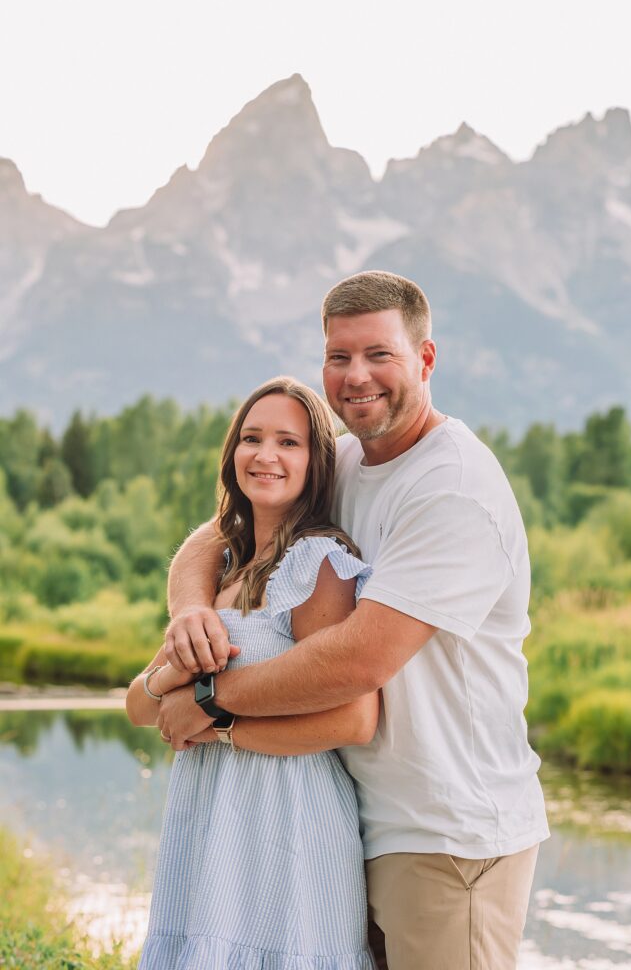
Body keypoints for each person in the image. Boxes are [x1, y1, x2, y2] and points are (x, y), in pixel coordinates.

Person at [160, 271, 550, 970]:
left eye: (379, 354)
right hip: (356, 823)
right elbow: (221, 531)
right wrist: (191, 608)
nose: (355, 376)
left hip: (447, 834)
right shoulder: (344, 460)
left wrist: (210, 704)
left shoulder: (452, 486)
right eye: (339, 357)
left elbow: (358, 661)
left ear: (425, 361)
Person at [126, 377, 378, 970]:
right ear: (231, 453)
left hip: (288, 817)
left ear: (317, 463)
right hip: (210, 812)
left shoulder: (320, 563)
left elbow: (352, 719)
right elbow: (139, 709)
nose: (265, 455)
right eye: (252, 438)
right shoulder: (225, 568)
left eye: (288, 442)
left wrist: (210, 717)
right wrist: (176, 676)